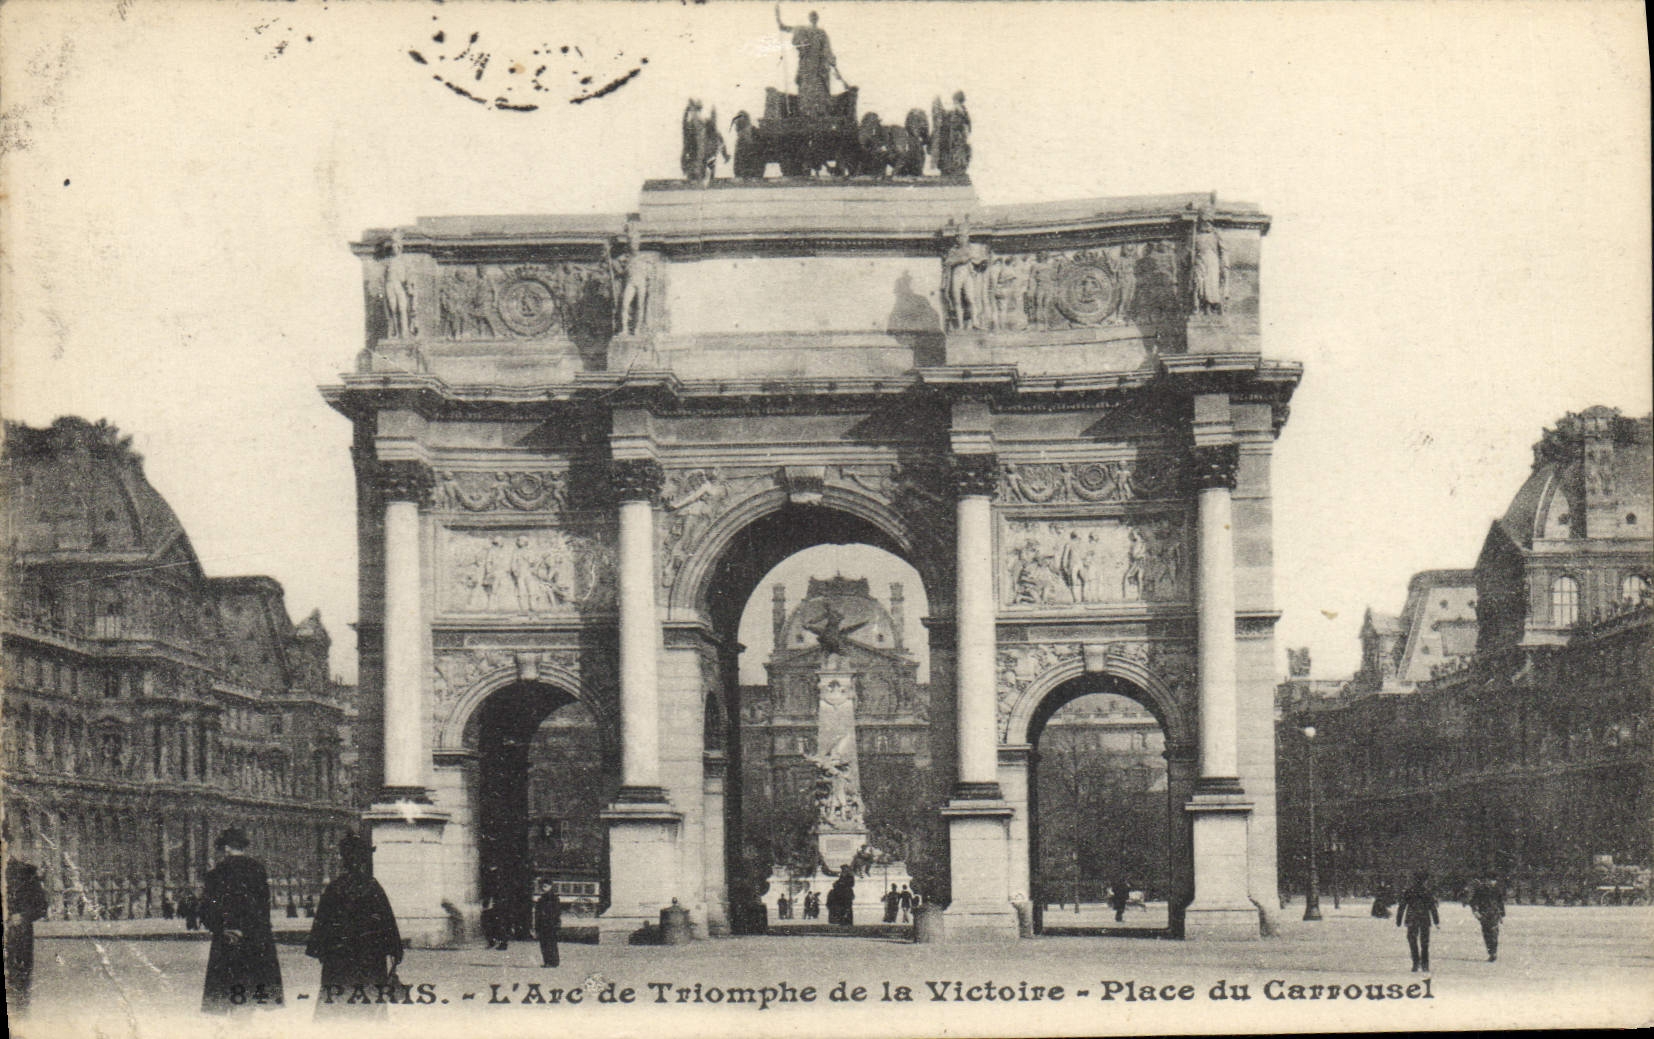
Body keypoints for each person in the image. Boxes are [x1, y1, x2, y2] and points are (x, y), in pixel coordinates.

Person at [305, 833, 403, 1018]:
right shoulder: (373, 887)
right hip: (370, 957)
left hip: (339, 957)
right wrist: (395, 949)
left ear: (344, 860)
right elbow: (387, 922)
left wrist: (320, 950)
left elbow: (322, 923)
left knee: (337, 1005)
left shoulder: (334, 888)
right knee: (369, 1004)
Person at [200, 828, 284, 1013]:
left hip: (228, 937)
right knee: (253, 988)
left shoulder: (216, 873)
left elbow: (207, 910)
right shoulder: (258, 869)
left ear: (227, 848)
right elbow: (263, 906)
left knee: (229, 988)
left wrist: (223, 928)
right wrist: (252, 929)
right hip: (256, 938)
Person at [5, 858, 50, 1016]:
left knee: (18, 986)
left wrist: (23, 916)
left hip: (17, 936)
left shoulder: (25, 874)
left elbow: (41, 907)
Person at [774, 6, 838, 116]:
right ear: (809, 18)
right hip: (806, 65)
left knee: (820, 88)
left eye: (815, 16)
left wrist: (830, 60)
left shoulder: (821, 32)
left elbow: (827, 49)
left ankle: (820, 112)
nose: (813, 18)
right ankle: (806, 112)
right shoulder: (802, 29)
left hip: (819, 66)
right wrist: (778, 17)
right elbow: (785, 28)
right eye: (812, 16)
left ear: (817, 18)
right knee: (805, 87)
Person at [1394, 870, 1441, 972]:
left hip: (1412, 918)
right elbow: (1432, 907)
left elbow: (1402, 906)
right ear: (1424, 881)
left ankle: (1416, 962)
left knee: (1412, 940)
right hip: (1424, 918)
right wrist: (1436, 921)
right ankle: (1425, 963)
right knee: (1424, 942)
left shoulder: (1409, 891)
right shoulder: (1427, 892)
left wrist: (1399, 920)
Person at [1469, 876, 1505, 962]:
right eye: (1491, 880)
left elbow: (1500, 902)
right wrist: (1475, 911)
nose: (1493, 882)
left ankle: (1493, 952)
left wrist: (1502, 914)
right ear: (1487, 880)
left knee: (1494, 933)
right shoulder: (1480, 890)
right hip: (1484, 914)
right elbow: (1473, 901)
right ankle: (1491, 952)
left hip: (1494, 914)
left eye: (1494, 881)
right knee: (1486, 933)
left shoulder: (1497, 890)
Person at [533, 880, 562, 968]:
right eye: (542, 886)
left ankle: (552, 961)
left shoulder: (553, 898)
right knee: (544, 943)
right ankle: (548, 961)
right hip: (543, 923)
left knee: (550, 943)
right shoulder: (542, 898)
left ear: (550, 886)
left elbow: (556, 912)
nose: (543, 888)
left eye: (545, 886)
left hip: (550, 923)